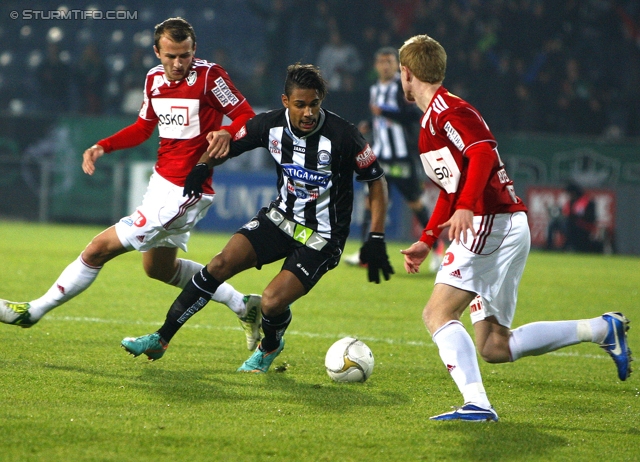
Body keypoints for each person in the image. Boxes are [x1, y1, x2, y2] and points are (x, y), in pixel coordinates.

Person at [398, 35, 632, 422]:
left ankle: (477, 405)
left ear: (406, 73)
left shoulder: (449, 111)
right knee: (494, 345)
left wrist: (470, 206)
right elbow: (449, 188)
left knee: (437, 314)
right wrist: (427, 238)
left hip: (489, 222)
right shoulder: (431, 122)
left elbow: (483, 152)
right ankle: (601, 329)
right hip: (504, 223)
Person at [0, 17, 263, 351]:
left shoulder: (210, 76)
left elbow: (247, 115)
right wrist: (102, 146)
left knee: (97, 249)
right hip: (160, 184)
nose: (178, 63)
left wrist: (227, 130)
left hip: (188, 189)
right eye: (170, 56)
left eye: (185, 55)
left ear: (194, 50)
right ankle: (243, 305)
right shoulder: (153, 79)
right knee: (158, 268)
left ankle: (33, 311)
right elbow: (143, 127)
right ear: (157, 52)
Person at [120, 63, 394, 373]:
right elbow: (227, 142)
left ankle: (270, 345)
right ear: (285, 101)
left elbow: (376, 181)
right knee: (219, 264)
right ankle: (162, 337)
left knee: (271, 302)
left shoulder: (344, 136)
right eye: (300, 104)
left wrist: (375, 236)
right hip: (279, 219)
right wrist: (202, 166)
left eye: (314, 104)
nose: (308, 112)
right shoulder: (268, 126)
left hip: (322, 238)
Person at [344, 47, 441, 270]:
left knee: (415, 203)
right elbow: (377, 115)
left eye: (389, 62)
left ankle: (436, 250)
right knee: (371, 203)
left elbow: (414, 115)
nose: (385, 66)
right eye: (381, 62)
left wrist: (384, 113)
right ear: (376, 65)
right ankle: (366, 252)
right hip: (380, 157)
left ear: (395, 65)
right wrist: (369, 122)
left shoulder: (403, 85)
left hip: (401, 157)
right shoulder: (375, 88)